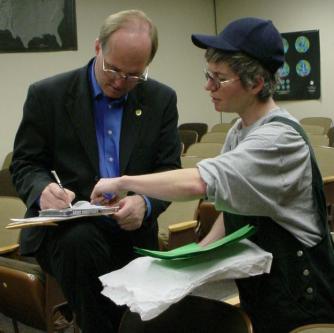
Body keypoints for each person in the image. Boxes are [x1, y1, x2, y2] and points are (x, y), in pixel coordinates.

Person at [91, 17, 334, 333]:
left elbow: (199, 182)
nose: (208, 86)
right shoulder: (240, 129)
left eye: (219, 78)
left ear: (256, 83)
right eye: (208, 75)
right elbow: (234, 203)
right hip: (266, 295)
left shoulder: (277, 140)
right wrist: (201, 253)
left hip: (303, 303)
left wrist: (123, 181)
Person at [10, 10, 181, 333]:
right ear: (97, 48)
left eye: (134, 75)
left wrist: (145, 204)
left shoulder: (161, 99)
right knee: (81, 244)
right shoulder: (48, 95)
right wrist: (42, 189)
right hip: (67, 232)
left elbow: (169, 170)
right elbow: (25, 164)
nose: (120, 82)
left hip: (131, 229)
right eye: (113, 69)